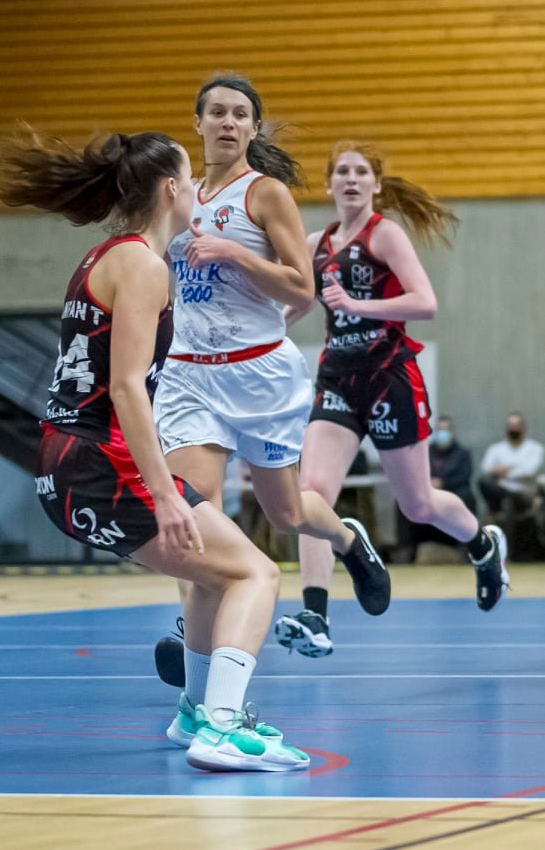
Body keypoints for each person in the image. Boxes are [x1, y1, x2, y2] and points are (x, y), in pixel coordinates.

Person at [0, 126, 308, 771]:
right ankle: (222, 725)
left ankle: (192, 712)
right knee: (256, 572)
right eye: (188, 179)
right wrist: (164, 496)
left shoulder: (107, 256)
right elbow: (127, 389)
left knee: (210, 573)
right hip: (100, 461)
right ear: (171, 189)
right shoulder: (144, 264)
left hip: (74, 460)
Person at [151, 74, 391, 686]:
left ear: (254, 129)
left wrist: (233, 254)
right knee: (190, 504)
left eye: (240, 115)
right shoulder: (176, 196)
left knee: (284, 513)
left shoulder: (266, 194)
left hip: (258, 372)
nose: (228, 123)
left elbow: (302, 287)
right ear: (198, 123)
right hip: (189, 373)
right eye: (217, 113)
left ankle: (346, 536)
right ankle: (192, 629)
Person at [274, 142, 506, 657]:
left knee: (417, 503)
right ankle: (315, 613)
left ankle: (483, 546)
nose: (351, 179)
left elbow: (425, 302)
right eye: (342, 171)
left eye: (361, 172)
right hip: (337, 379)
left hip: (390, 377)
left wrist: (358, 304)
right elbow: (295, 308)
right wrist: (252, 336)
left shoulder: (386, 234)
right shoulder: (317, 244)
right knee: (310, 493)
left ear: (376, 184)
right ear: (330, 183)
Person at [477, 412, 545, 515]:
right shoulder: (495, 448)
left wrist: (502, 471)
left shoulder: (535, 448)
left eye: (517, 426)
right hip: (499, 492)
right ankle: (507, 498)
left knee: (509, 502)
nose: (513, 429)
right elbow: (486, 468)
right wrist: (514, 467)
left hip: (523, 493)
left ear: (523, 427)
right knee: (483, 481)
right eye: (511, 426)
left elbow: (529, 470)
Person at [429, 415, 478, 515]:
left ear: (453, 432)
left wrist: (443, 483)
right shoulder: (427, 452)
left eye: (445, 429)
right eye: (439, 429)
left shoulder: (463, 453)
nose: (442, 433)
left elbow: (465, 477)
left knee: (467, 495)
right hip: (430, 491)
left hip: (454, 490)